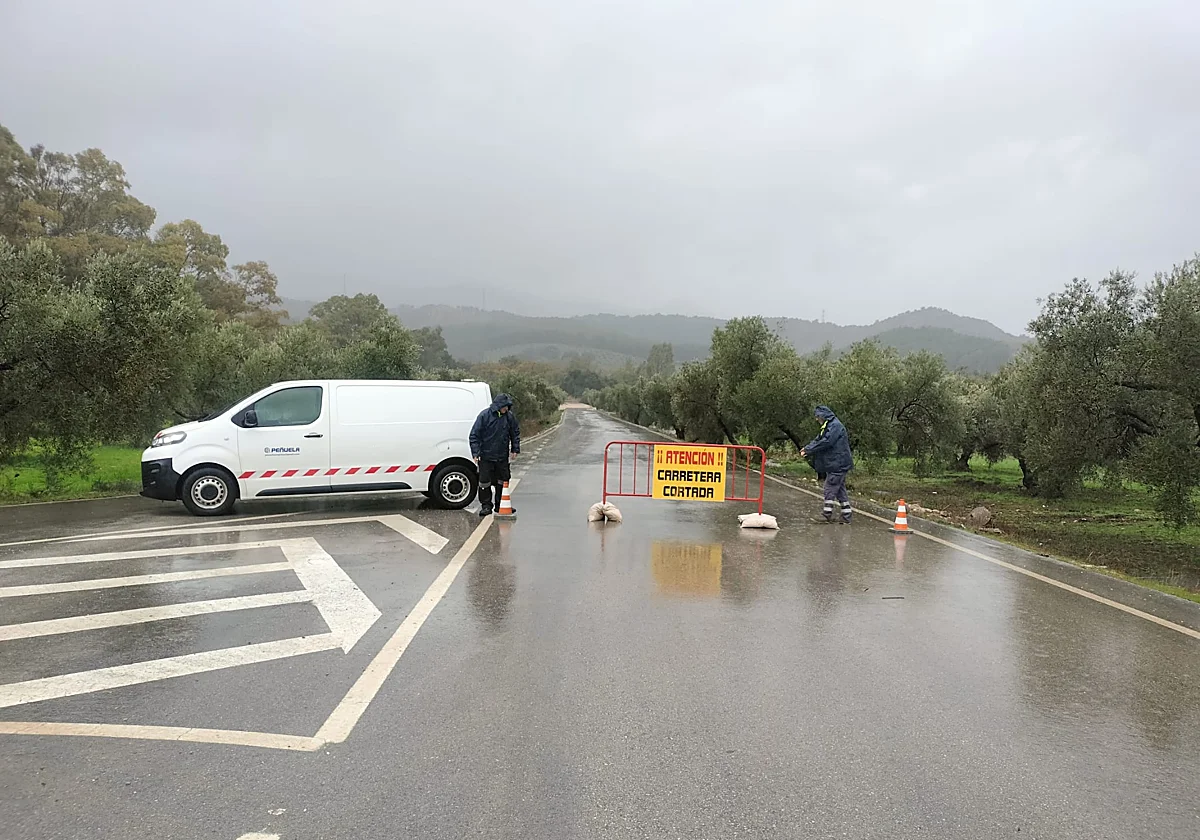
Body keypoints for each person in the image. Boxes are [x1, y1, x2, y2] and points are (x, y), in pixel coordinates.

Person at [799, 405, 854, 524]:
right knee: (840, 490)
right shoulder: (829, 426)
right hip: (836, 463)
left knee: (830, 487)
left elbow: (826, 442)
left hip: (838, 463)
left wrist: (809, 450)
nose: (816, 419)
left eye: (817, 416)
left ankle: (826, 514)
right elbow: (818, 439)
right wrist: (807, 448)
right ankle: (846, 515)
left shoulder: (835, 426)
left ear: (824, 416)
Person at [469, 393, 520, 516]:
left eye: (508, 407)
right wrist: (476, 453)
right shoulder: (484, 416)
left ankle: (500, 505)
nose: (506, 409)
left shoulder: (509, 417)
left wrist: (515, 449)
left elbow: (515, 432)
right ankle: (486, 506)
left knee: (503, 481)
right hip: (486, 456)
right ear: (498, 406)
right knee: (484, 482)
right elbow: (474, 435)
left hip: (502, 457)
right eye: (504, 406)